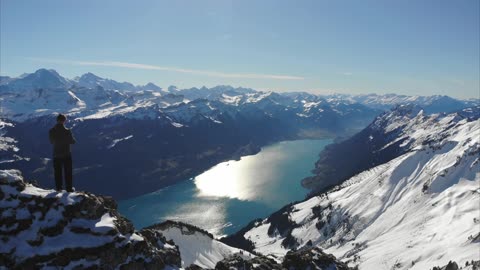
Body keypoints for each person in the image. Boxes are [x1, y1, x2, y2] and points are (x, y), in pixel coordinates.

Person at [49, 114, 76, 192]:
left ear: (57, 120)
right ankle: (69, 188)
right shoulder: (67, 131)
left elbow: (51, 141)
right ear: (64, 121)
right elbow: (72, 141)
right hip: (66, 154)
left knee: (57, 172)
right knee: (68, 172)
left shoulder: (51, 131)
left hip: (56, 154)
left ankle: (59, 188)